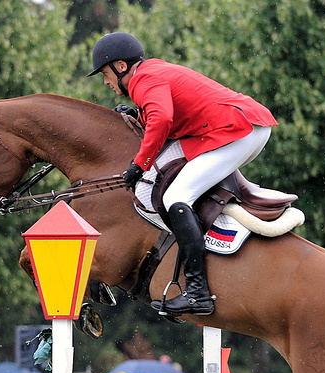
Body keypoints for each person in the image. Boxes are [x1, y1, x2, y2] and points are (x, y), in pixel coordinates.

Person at [88, 32, 278, 316]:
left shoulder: (143, 80)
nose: (105, 82)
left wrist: (139, 164)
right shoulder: (151, 71)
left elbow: (163, 119)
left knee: (176, 197)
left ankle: (198, 293)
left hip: (239, 130)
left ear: (121, 67)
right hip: (245, 126)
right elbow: (169, 112)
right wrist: (139, 115)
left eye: (105, 73)